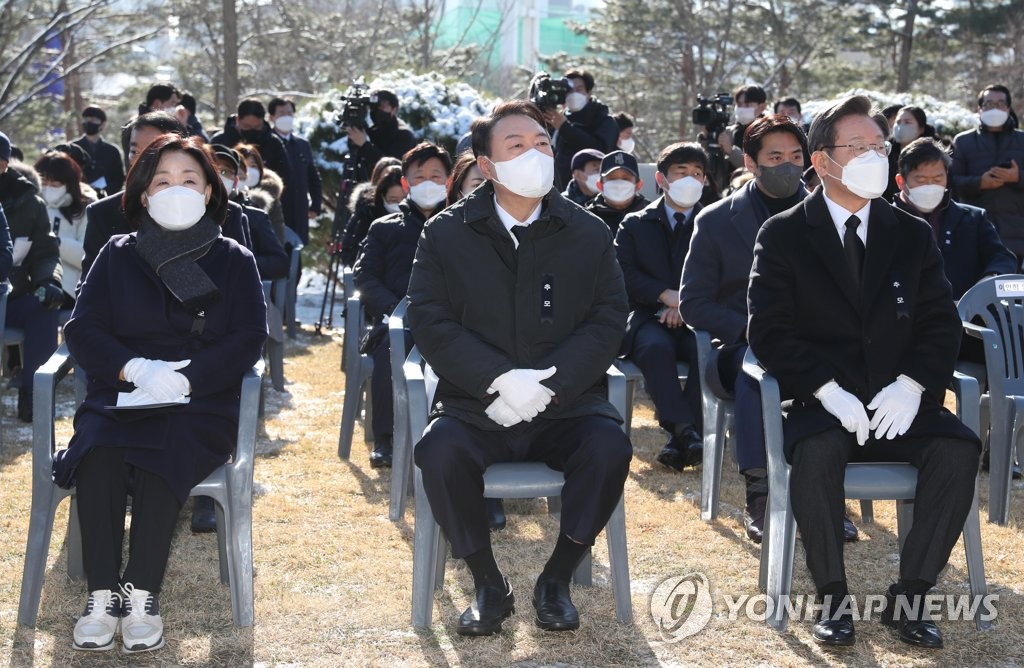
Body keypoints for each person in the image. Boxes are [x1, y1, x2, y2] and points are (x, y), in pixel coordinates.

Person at [747, 95, 980, 649]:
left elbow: (941, 325)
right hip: (824, 404)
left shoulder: (910, 234)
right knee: (819, 454)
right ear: (823, 161)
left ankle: (911, 596)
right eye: (860, 147)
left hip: (900, 402)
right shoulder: (782, 235)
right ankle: (833, 599)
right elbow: (770, 333)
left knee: (959, 448)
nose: (876, 155)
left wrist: (914, 384)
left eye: (880, 145)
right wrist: (825, 390)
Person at [407, 100, 631, 636]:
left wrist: (547, 387)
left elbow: (607, 320)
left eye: (542, 144)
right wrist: (500, 380)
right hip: (475, 402)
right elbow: (430, 319)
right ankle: (488, 583)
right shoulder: (447, 232)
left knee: (609, 448)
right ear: (486, 165)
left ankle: (555, 578)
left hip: (568, 404)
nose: (535, 154)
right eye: (517, 146)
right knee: (438, 452)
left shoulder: (588, 231)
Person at [53, 134, 266, 654]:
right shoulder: (117, 254)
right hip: (124, 391)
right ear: (143, 195)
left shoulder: (233, 258)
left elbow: (248, 337)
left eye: (190, 180)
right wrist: (135, 367)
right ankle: (102, 595)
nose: (177, 189)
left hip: (200, 399)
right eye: (163, 181)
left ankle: (142, 593)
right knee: (98, 450)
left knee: (165, 450)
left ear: (211, 191)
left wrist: (191, 377)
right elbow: (82, 328)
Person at [681, 115, 866, 544]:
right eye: (775, 157)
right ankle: (761, 494)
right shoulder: (716, 220)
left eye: (796, 156)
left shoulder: (835, 212)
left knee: (838, 367)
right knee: (758, 370)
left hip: (818, 346)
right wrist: (755, 328)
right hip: (740, 349)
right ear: (750, 161)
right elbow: (693, 303)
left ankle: (827, 494)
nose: (788, 165)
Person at [353, 142, 451, 468]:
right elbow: (365, 276)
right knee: (391, 350)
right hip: (399, 321)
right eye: (419, 177)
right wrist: (398, 309)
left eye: (436, 176)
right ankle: (387, 438)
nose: (428, 183)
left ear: (449, 182)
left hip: (451, 324)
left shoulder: (463, 227)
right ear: (405, 184)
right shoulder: (383, 228)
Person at [616, 142, 708, 472]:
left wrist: (684, 303)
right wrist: (664, 295)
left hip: (697, 318)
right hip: (646, 316)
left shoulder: (711, 222)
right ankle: (686, 431)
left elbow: (721, 273)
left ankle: (679, 438)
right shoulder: (635, 223)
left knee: (704, 351)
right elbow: (622, 273)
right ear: (661, 179)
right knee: (654, 347)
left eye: (697, 173)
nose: (690, 180)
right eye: (681, 173)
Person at [894, 137, 1016, 299]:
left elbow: (1003, 258)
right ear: (901, 181)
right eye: (921, 180)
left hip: (966, 316)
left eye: (938, 179)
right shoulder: (884, 221)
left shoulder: (973, 218)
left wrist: (989, 282)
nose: (930, 187)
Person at [0, 131, 63, 422]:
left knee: (43, 307)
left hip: (14, 294)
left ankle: (34, 395)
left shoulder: (30, 202)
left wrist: (49, 281)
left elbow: (46, 251)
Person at [82, 112, 188, 282]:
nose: (142, 159)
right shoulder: (103, 213)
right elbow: (89, 291)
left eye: (154, 149)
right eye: (134, 151)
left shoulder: (220, 212)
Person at [951, 84, 1024, 263]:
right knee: (978, 289)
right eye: (989, 104)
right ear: (979, 109)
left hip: (1017, 233)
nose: (994, 108)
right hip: (974, 231)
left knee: (1012, 288)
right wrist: (979, 183)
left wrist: (1017, 177)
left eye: (1000, 104)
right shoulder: (963, 141)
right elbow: (952, 182)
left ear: (1008, 108)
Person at [211, 98, 295, 235]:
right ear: (237, 120)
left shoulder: (273, 143)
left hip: (266, 204)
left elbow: (286, 175)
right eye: (247, 127)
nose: (252, 131)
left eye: (256, 128)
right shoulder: (220, 141)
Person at [212, 146, 288, 280]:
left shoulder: (254, 216)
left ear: (236, 181)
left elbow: (279, 263)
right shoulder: (189, 214)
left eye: (225, 172)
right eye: (213, 171)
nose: (219, 177)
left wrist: (244, 262)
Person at [34, 151, 96, 305]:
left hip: (70, 290)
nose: (48, 189)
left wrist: (55, 242)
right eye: (44, 184)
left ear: (69, 184)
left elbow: (89, 255)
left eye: (55, 185)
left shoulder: (85, 208)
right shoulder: (31, 205)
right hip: (33, 283)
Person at [543, 68, 619, 191]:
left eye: (579, 89)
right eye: (569, 91)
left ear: (588, 92)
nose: (574, 94)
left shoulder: (604, 119)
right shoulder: (558, 119)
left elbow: (600, 150)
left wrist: (565, 128)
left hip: (592, 192)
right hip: (560, 191)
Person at [269, 97, 323, 244]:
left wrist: (316, 204)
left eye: (289, 113)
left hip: (299, 209)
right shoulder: (267, 143)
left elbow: (313, 177)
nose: (286, 117)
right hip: (276, 211)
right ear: (271, 117)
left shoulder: (302, 144)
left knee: (296, 253)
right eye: (281, 113)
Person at [344, 89, 418, 184]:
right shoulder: (371, 131)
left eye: (383, 106)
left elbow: (393, 167)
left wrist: (365, 145)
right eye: (375, 107)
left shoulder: (403, 135)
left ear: (394, 109)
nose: (378, 110)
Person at [340, 161, 404, 266]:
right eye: (393, 200)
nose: (399, 205)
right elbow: (350, 251)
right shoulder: (365, 213)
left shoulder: (419, 215)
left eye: (404, 199)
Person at [234, 143, 287, 244]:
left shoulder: (271, 198)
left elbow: (278, 239)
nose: (248, 171)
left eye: (253, 166)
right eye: (244, 165)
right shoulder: (226, 196)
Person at [587, 150, 648, 236]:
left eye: (626, 178)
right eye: (612, 178)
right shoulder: (588, 218)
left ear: (638, 185)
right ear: (600, 185)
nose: (619, 184)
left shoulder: (653, 216)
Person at [72, 106, 125, 196]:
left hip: (105, 200)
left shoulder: (112, 151)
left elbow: (118, 180)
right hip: (77, 200)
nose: (88, 122)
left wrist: (102, 193)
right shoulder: (73, 148)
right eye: (85, 119)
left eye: (93, 119)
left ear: (103, 124)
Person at [885, 106, 934, 200]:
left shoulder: (933, 156)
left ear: (921, 129)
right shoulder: (885, 152)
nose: (900, 127)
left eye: (907, 122)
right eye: (898, 122)